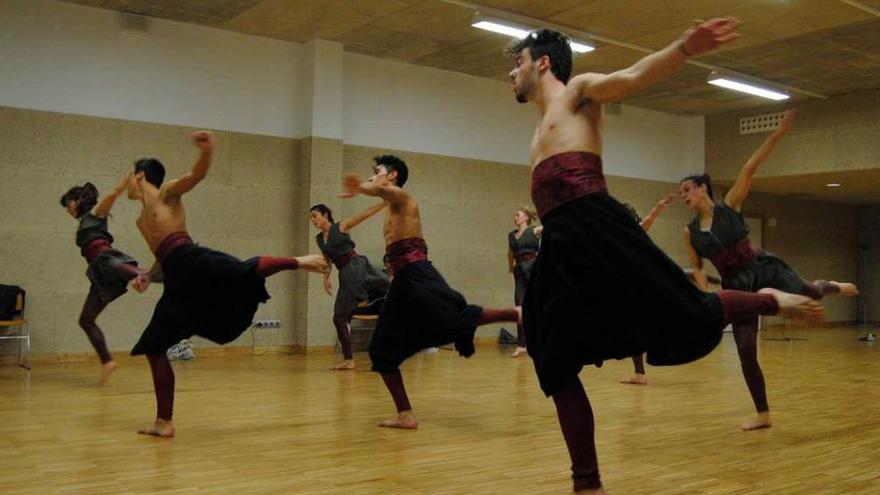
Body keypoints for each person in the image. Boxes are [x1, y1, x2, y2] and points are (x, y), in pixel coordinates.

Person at [507, 20, 824, 493]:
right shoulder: (536, 134)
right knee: (551, 356)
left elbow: (634, 76)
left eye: (519, 63)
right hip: (562, 245)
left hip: (600, 229)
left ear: (543, 62)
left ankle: (772, 300)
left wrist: (683, 47)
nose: (513, 73)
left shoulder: (580, 92)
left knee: (686, 311)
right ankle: (587, 483)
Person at [127, 130, 328, 438]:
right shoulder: (141, 220)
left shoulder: (166, 193)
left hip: (194, 259)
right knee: (154, 346)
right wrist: (147, 276)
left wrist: (207, 150)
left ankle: (300, 261)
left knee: (242, 272)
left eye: (129, 176)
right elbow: (164, 260)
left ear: (139, 175)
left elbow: (196, 175)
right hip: (177, 279)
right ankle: (163, 422)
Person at [680, 109, 857, 430]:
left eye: (688, 190)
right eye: (682, 194)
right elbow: (697, 268)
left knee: (812, 292)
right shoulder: (689, 232)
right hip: (736, 285)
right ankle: (763, 414)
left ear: (703, 188)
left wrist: (777, 135)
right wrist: (709, 300)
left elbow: (750, 166)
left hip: (762, 265)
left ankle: (831, 285)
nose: (684, 196)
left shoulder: (730, 204)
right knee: (747, 349)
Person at [340, 154, 521, 430]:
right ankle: (405, 414)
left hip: (417, 273)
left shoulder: (402, 197)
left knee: (452, 318)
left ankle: (516, 313)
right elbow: (377, 199)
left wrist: (361, 188)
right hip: (402, 281)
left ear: (392, 176)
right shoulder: (389, 208)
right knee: (381, 350)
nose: (372, 175)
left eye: (377, 171)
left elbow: (380, 190)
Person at [60, 179, 145, 384]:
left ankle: (147, 274)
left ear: (78, 199)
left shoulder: (96, 213)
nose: (67, 210)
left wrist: (130, 177)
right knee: (86, 320)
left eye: (68, 204)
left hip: (106, 259)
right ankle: (107, 361)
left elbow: (114, 193)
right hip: (99, 271)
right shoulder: (84, 220)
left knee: (123, 268)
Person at [309, 202, 389, 370]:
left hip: (357, 266)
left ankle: (368, 299)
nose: (313, 220)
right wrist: (326, 278)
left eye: (315, 216)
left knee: (388, 287)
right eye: (311, 218)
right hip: (345, 272)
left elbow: (364, 214)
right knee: (340, 317)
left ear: (325, 214)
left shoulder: (341, 226)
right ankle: (349, 359)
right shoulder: (319, 239)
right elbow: (328, 260)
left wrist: (384, 202)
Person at [507, 207, 542, 357]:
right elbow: (510, 253)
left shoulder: (535, 230)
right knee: (519, 308)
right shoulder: (511, 235)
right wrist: (511, 267)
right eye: (514, 215)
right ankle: (522, 345)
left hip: (534, 268)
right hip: (520, 271)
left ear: (526, 217)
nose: (515, 217)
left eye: (518, 215)